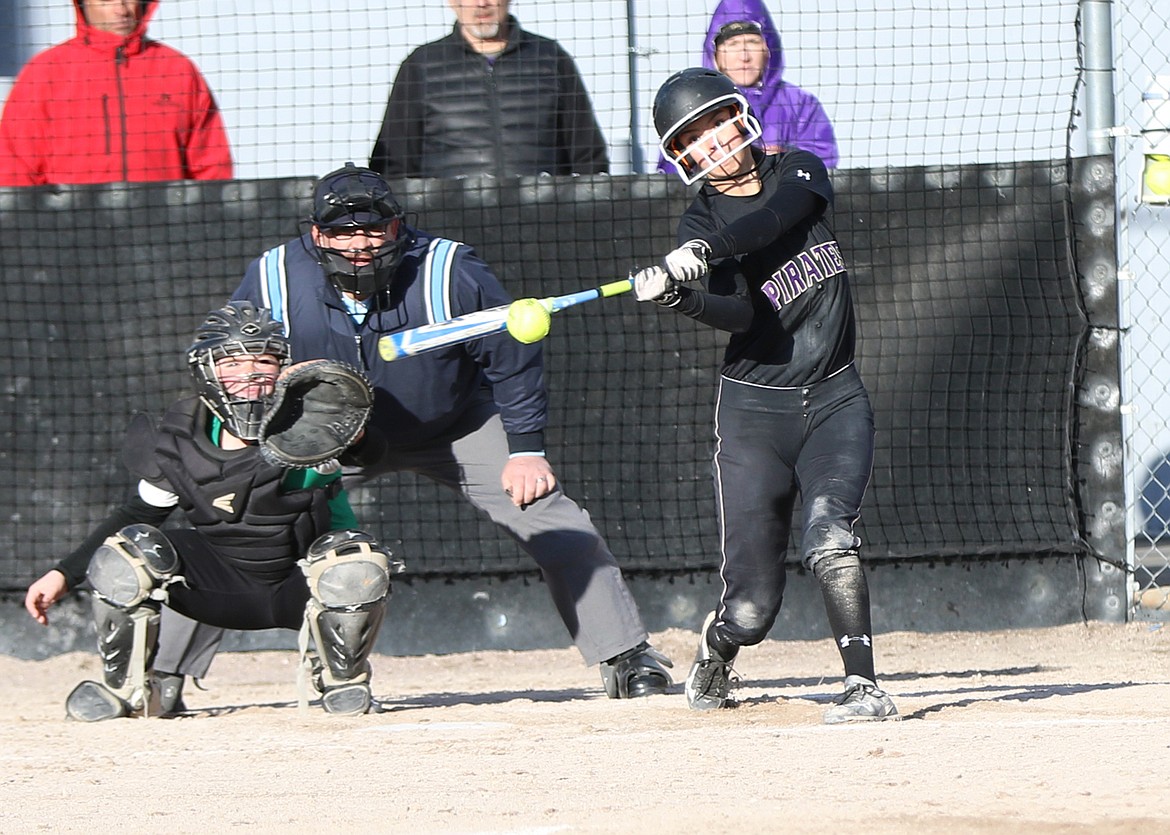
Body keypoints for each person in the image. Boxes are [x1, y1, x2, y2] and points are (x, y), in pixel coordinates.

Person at [216, 162, 672, 699]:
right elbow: (238, 358)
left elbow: (511, 353)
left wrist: (525, 450)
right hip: (330, 436)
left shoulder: (448, 268)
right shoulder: (273, 274)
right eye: (342, 230)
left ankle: (627, 657)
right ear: (316, 234)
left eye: (372, 228)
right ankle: (156, 674)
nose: (359, 243)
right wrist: (255, 419)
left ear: (397, 227)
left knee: (550, 514)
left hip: (453, 425)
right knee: (235, 521)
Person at [633, 67, 897, 723]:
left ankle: (862, 684)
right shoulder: (697, 220)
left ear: (740, 117)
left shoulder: (798, 171)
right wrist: (682, 292)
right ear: (683, 157)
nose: (713, 142)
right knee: (753, 605)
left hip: (836, 398)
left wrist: (709, 249)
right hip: (754, 415)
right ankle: (718, 649)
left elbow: (779, 220)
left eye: (717, 122)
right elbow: (741, 315)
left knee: (831, 533)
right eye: (693, 138)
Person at [23, 301, 396, 719]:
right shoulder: (183, 433)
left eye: (263, 363)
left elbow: (370, 452)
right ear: (207, 372)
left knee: (354, 559)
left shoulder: (310, 421)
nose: (249, 377)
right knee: (128, 553)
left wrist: (351, 426)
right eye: (232, 364)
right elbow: (138, 514)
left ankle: (340, 682)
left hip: (301, 584)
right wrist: (63, 574)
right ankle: (131, 690)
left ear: (282, 370)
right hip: (218, 584)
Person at [0, 0, 233, 186]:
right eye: (106, 0)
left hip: (164, 230)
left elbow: (211, 168)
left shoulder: (178, 70)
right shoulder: (45, 72)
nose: (121, 9)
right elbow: (15, 168)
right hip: (69, 231)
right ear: (82, 4)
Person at [369, 0, 608, 178]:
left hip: (542, 216)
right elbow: (394, 163)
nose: (481, 4)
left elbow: (587, 153)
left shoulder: (551, 58)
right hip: (449, 219)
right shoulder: (420, 65)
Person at [656, 0, 838, 175]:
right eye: (732, 44)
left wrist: (783, 158)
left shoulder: (800, 104)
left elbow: (822, 164)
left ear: (768, 49)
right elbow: (673, 175)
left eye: (752, 42)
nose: (744, 56)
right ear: (715, 55)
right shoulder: (690, 105)